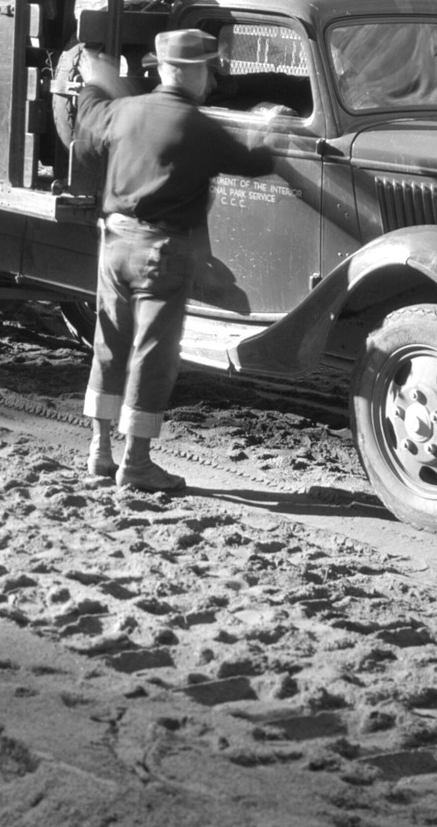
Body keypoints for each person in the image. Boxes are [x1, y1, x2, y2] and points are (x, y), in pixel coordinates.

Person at [73, 28, 281, 492]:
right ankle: (138, 465)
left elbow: (88, 113)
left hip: (114, 245)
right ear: (191, 72)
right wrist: (267, 133)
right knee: (153, 356)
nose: (212, 79)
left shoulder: (124, 112)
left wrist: (95, 77)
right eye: (209, 68)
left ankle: (100, 451)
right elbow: (253, 164)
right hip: (161, 255)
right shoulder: (199, 127)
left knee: (109, 344)